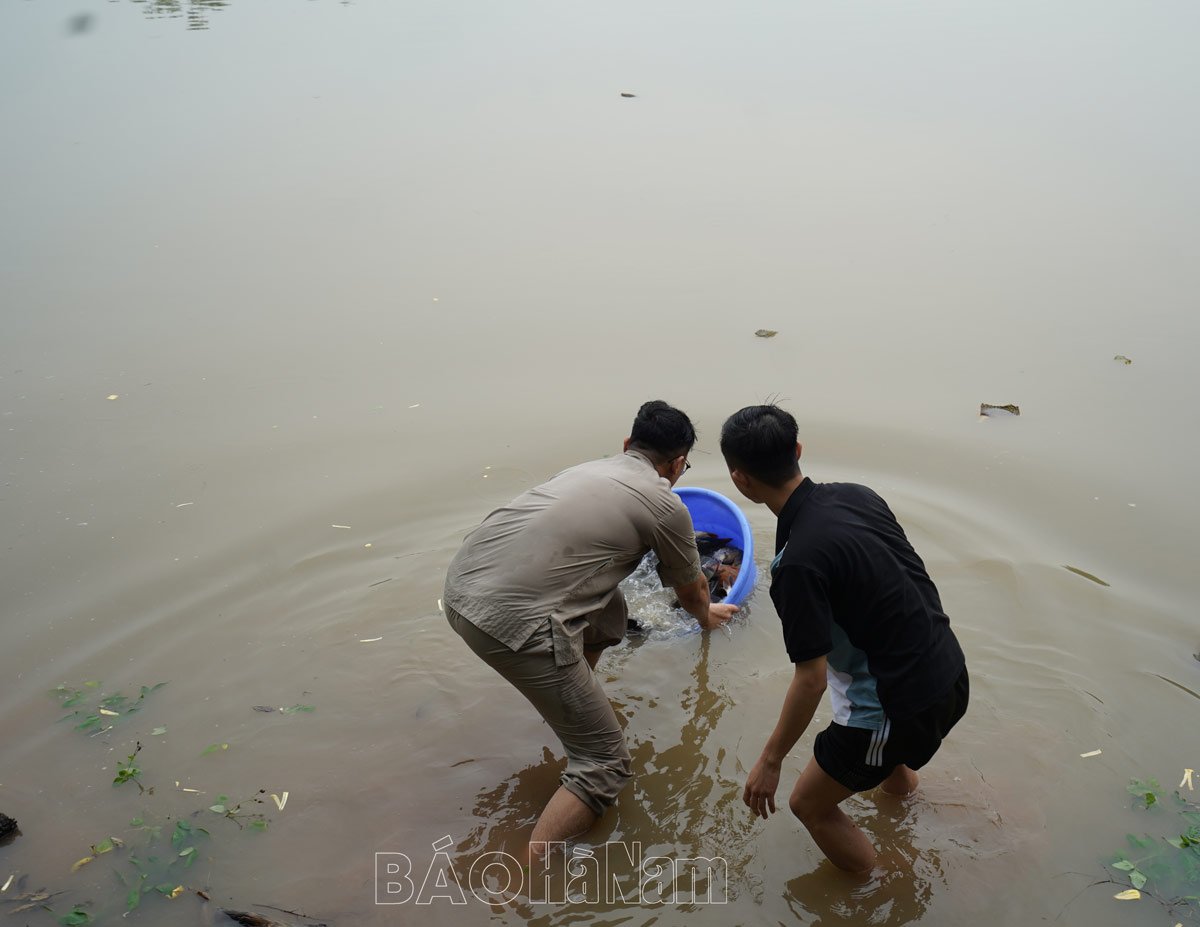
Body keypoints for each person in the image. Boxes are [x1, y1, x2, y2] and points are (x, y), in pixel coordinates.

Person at [444, 400, 738, 859]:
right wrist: (707, 618)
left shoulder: (585, 470)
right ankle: (528, 875)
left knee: (610, 613)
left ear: (627, 445)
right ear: (679, 463)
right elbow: (691, 588)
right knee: (605, 765)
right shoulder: (665, 504)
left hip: (461, 590)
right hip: (514, 626)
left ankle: (571, 706)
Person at [719, 404, 968, 874]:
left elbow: (810, 680)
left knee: (808, 805)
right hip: (949, 669)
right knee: (888, 758)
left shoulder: (796, 566)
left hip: (902, 705)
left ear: (739, 480)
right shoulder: (858, 495)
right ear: (797, 451)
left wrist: (770, 762)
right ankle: (905, 813)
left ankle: (885, 892)